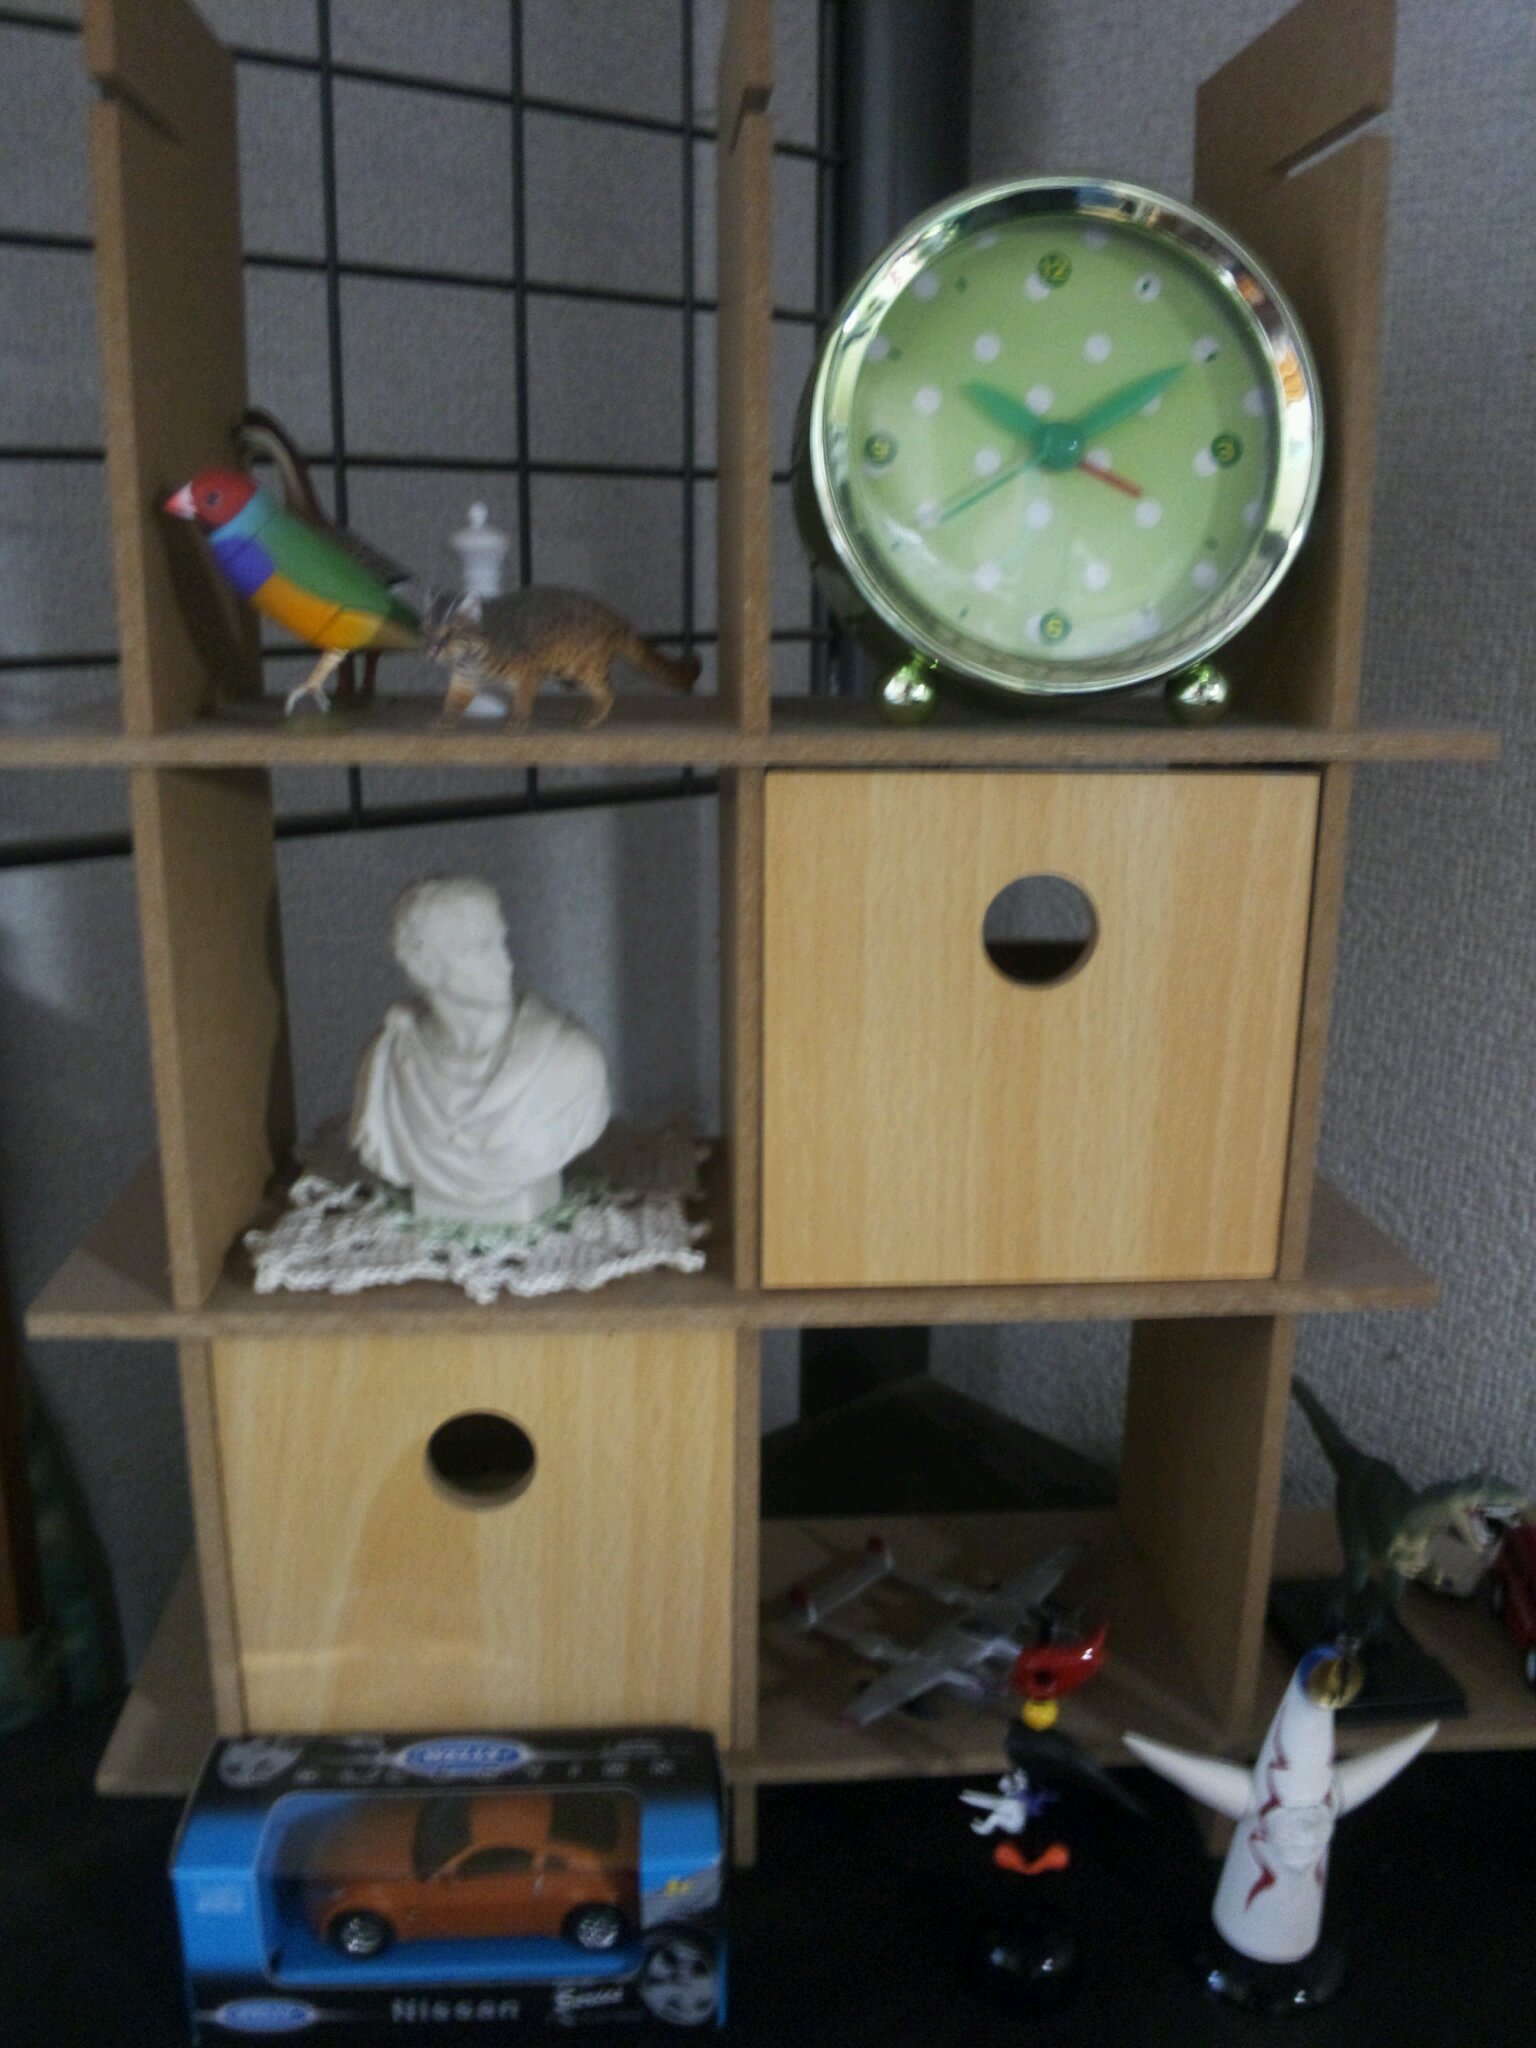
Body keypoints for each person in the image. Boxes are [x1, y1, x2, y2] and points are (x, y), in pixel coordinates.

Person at [350, 877, 610, 1225]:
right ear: (423, 966)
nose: (505, 962)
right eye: (479, 948)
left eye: (501, 941)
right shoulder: (386, 1064)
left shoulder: (570, 1062)